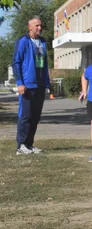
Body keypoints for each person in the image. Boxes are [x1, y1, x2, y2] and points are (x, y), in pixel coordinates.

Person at [12, 16, 51, 155]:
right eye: (36, 26)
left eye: (40, 25)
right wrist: (20, 83)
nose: (39, 28)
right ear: (29, 27)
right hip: (27, 85)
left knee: (35, 117)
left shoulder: (43, 42)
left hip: (40, 85)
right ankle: (21, 145)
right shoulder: (23, 41)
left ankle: (29, 144)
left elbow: (45, 64)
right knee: (25, 116)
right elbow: (16, 63)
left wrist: (47, 83)